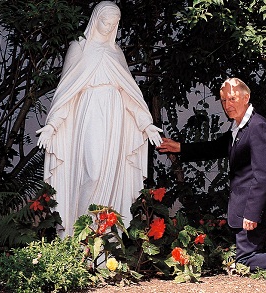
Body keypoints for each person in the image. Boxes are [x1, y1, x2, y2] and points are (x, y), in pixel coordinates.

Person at [157, 77, 266, 288]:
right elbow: (217, 147)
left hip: (251, 207)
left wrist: (252, 212)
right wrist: (180, 147)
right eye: (223, 101)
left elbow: (264, 173)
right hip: (245, 205)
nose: (227, 105)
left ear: (246, 97)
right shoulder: (240, 127)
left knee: (245, 260)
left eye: (232, 99)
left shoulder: (257, 126)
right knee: (249, 259)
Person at [36, 1, 162, 238]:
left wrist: (146, 123)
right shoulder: (80, 48)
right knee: (92, 173)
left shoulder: (116, 52)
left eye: (114, 24)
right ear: (95, 19)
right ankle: (81, 234)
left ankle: (104, 240)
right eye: (105, 21)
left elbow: (129, 93)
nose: (108, 27)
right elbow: (67, 92)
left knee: (111, 177)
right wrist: (52, 125)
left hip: (115, 120)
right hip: (90, 113)